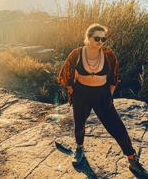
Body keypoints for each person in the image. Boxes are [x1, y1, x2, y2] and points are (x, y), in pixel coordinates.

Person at [58, 23, 147, 175]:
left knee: (117, 127)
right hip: (82, 94)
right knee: (79, 123)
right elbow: (65, 73)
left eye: (103, 39)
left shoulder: (108, 54)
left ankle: (132, 159)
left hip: (102, 95)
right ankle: (79, 149)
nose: (100, 42)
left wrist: (109, 96)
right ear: (88, 37)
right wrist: (72, 90)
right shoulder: (77, 53)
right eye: (97, 38)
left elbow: (114, 78)